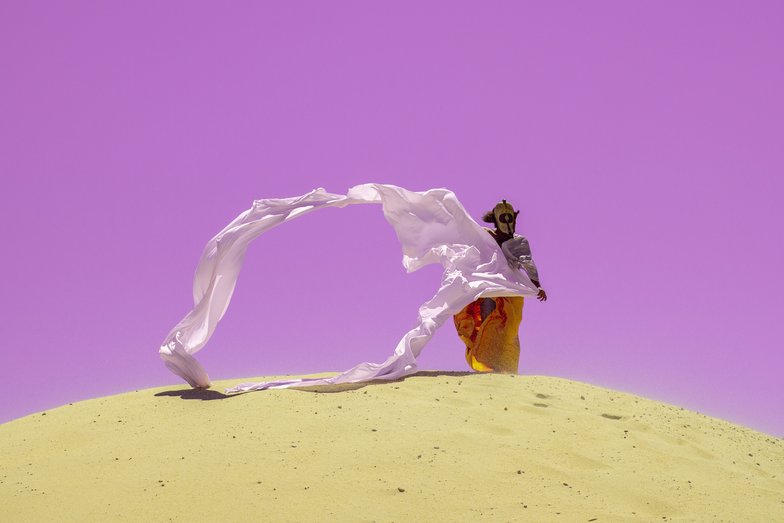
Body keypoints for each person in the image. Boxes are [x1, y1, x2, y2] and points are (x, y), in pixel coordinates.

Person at [453, 200, 547, 373]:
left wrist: (537, 285)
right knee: (489, 322)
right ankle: (489, 369)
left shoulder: (519, 242)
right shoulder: (485, 235)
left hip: (510, 293)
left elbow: (528, 263)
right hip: (488, 289)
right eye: (503, 218)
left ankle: (504, 369)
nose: (507, 222)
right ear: (496, 220)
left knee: (508, 330)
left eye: (510, 218)